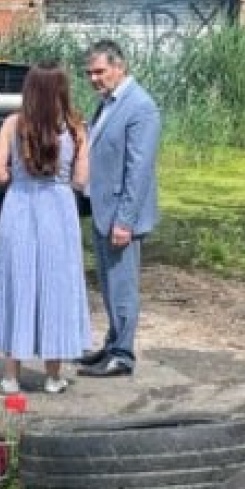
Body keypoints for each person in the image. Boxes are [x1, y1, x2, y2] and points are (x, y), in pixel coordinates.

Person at [0, 61, 91, 395]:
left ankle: (10, 376)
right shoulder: (75, 129)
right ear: (63, 89)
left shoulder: (12, 124)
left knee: (17, 284)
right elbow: (80, 180)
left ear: (29, 89)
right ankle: (52, 376)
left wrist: (19, 176)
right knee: (56, 288)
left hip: (19, 208)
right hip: (59, 213)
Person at [76, 40, 161, 378]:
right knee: (109, 284)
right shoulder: (107, 103)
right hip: (102, 209)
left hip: (120, 215)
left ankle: (123, 355)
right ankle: (112, 344)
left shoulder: (140, 106)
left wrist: (124, 220)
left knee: (122, 285)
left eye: (100, 71)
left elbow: (138, 169)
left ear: (119, 67)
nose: (94, 79)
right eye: (89, 73)